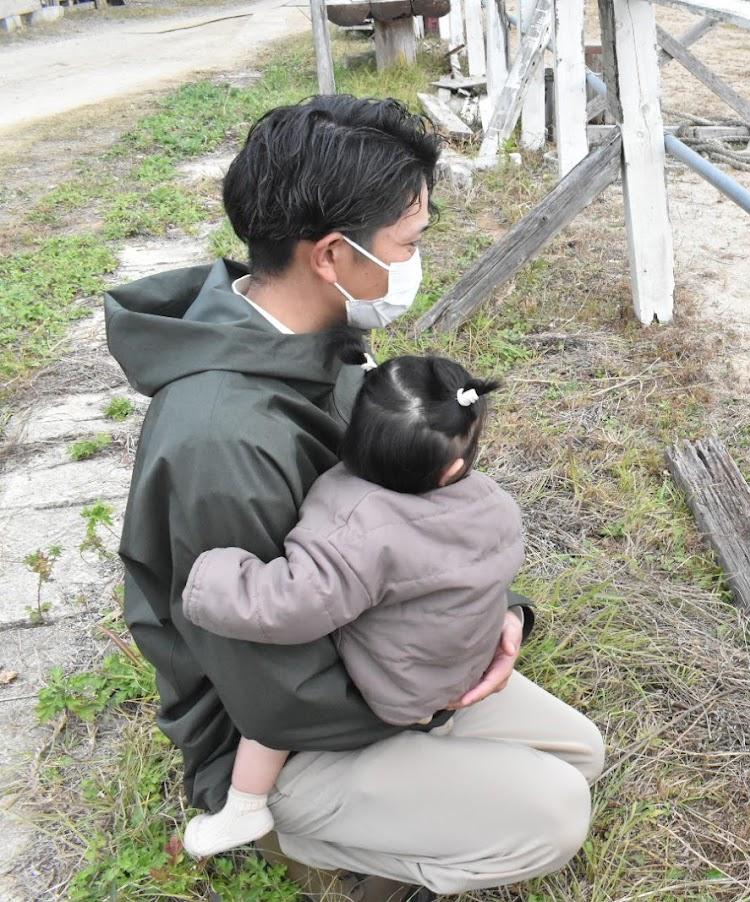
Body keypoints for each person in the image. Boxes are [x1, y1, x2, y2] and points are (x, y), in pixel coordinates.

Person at [107, 95, 604, 899]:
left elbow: (402, 513)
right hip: (277, 736)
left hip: (369, 656)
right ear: (332, 256)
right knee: (551, 815)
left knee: (579, 753)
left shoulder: (320, 341)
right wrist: (431, 702)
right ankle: (317, 849)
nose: (414, 262)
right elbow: (271, 681)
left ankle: (411, 798)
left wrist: (498, 616)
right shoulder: (220, 441)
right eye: (408, 244)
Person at [178, 354, 519, 859]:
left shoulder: (356, 528)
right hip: (465, 664)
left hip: (399, 691)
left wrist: (209, 577)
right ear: (453, 467)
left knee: (266, 726)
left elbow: (289, 605)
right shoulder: (493, 501)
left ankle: (245, 807)